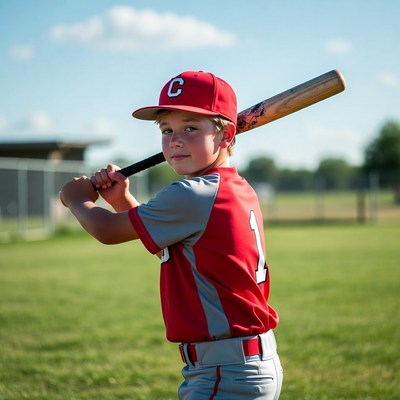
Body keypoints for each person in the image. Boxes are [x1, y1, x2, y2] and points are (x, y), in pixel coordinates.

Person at [60, 70, 283, 399]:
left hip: (226, 371)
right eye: (167, 130)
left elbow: (106, 230)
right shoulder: (233, 187)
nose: (175, 140)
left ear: (225, 136)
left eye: (190, 128)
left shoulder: (193, 194)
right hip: (238, 364)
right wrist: (121, 200)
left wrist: (76, 199)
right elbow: (173, 245)